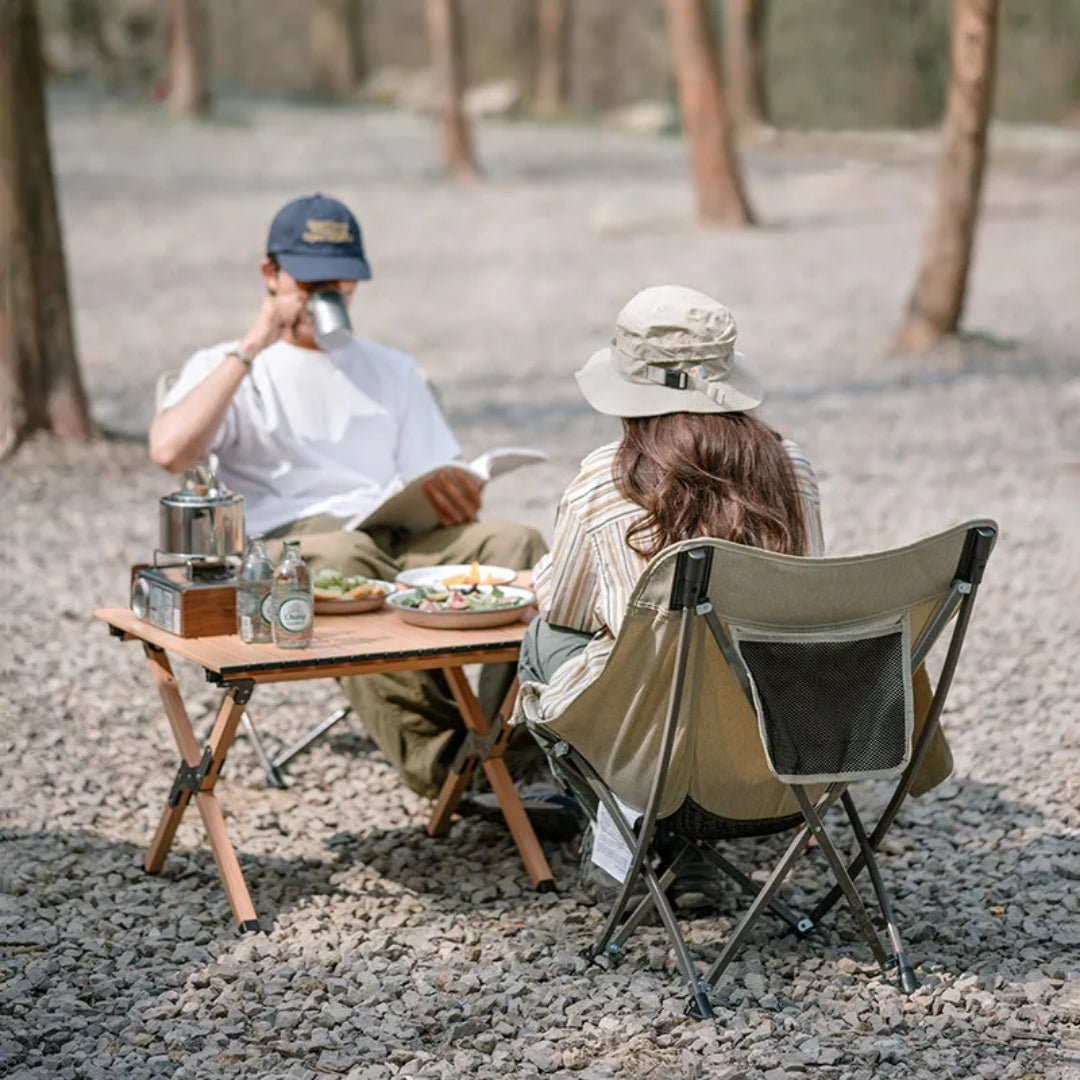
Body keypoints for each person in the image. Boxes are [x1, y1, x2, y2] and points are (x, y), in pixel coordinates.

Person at [149, 193, 547, 799]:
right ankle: (449, 770)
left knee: (518, 542)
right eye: (310, 279)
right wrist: (253, 344)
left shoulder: (391, 367)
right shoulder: (226, 364)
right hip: (291, 553)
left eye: (341, 279)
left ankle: (505, 750)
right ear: (271, 274)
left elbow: (432, 477)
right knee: (342, 554)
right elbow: (170, 451)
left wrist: (457, 500)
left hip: (396, 535)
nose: (326, 292)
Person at [514, 285, 825, 897]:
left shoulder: (604, 481)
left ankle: (633, 831)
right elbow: (802, 590)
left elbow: (565, 610)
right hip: (777, 736)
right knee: (710, 672)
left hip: (652, 744)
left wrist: (547, 577)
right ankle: (691, 853)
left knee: (545, 641)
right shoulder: (791, 469)